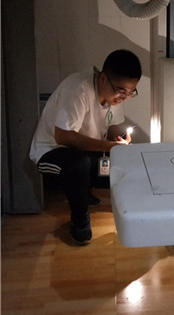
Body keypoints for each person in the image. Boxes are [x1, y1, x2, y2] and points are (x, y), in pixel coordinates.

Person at [30, 49, 142, 245]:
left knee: (125, 157)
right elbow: (63, 136)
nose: (124, 97)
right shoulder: (78, 89)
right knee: (78, 164)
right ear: (103, 78)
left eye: (130, 92)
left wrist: (120, 140)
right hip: (50, 150)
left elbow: (111, 126)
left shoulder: (114, 94)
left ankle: (83, 191)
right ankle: (79, 218)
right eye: (121, 91)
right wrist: (109, 145)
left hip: (82, 150)